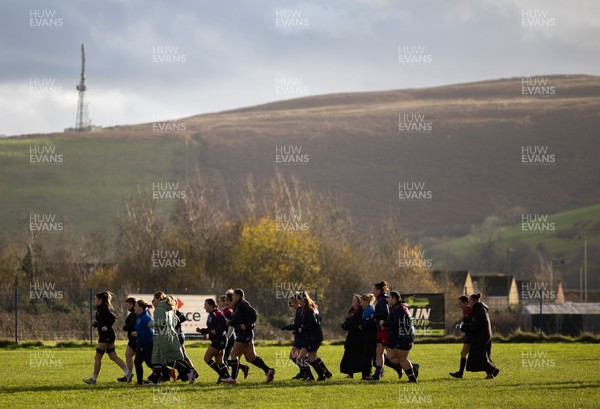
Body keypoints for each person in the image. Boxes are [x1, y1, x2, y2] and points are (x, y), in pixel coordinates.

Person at [226, 289, 275, 383]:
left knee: (234, 355)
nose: (232, 297)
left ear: (239, 296)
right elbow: (239, 320)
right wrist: (231, 322)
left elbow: (254, 315)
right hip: (243, 334)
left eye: (234, 296)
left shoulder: (243, 304)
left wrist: (247, 325)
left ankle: (232, 379)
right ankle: (268, 370)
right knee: (250, 358)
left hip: (244, 334)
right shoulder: (237, 306)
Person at [83, 291, 132, 384]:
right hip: (108, 335)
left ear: (100, 300)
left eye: (95, 299)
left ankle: (93, 379)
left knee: (97, 357)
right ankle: (128, 373)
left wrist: (107, 326)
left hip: (106, 336)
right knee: (113, 356)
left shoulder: (103, 309)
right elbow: (103, 322)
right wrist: (97, 324)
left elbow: (113, 318)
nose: (94, 300)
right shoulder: (100, 309)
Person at [147, 292, 195, 385]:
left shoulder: (159, 309)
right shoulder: (170, 308)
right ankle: (157, 379)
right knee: (165, 359)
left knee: (161, 359)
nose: (153, 302)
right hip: (169, 336)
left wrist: (150, 324)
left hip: (162, 337)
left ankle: (188, 372)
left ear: (158, 299)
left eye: (154, 299)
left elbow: (160, 324)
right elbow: (176, 320)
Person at [197, 298, 235, 383]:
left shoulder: (217, 313)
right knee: (219, 361)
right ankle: (228, 378)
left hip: (219, 340)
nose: (204, 307)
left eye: (206, 305)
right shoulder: (211, 314)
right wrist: (202, 331)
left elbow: (226, 324)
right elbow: (211, 329)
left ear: (211, 305)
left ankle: (222, 375)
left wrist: (217, 331)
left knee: (207, 358)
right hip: (219, 340)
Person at [297, 291, 331, 381]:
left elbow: (314, 322)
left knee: (311, 358)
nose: (298, 303)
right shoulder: (310, 308)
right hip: (309, 337)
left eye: (299, 300)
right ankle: (314, 377)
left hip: (313, 338)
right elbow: (319, 319)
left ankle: (321, 376)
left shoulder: (309, 309)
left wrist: (303, 327)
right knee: (300, 358)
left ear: (303, 300)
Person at [385, 291, 419, 382]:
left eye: (389, 297)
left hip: (403, 336)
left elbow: (397, 323)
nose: (387, 299)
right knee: (390, 356)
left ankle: (412, 378)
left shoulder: (399, 309)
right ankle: (412, 367)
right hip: (397, 336)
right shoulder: (397, 307)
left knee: (402, 359)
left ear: (394, 298)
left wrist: (385, 323)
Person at [466, 294, 500, 379]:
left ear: (474, 301)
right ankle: (490, 373)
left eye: (469, 300)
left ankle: (492, 369)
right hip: (484, 334)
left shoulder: (479, 308)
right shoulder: (479, 308)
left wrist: (471, 325)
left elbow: (483, 320)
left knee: (478, 354)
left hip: (481, 335)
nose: (468, 302)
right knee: (483, 354)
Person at [219, 293, 249, 379]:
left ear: (225, 302)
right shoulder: (224, 311)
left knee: (224, 359)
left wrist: (227, 337)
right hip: (227, 337)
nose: (219, 303)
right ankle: (242, 368)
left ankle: (227, 377)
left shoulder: (228, 312)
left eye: (220, 301)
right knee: (223, 359)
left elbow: (231, 327)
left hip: (230, 338)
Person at [280, 293, 307, 379]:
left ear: (297, 302)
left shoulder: (300, 311)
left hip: (301, 337)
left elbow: (297, 325)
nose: (291, 304)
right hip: (298, 337)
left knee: (294, 356)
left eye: (292, 302)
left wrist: (286, 327)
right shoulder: (298, 311)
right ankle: (303, 372)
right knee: (298, 356)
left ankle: (306, 372)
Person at [340, 294, 363, 378]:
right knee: (349, 355)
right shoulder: (351, 311)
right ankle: (350, 373)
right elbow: (348, 322)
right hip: (351, 336)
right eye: (352, 300)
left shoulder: (360, 311)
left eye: (354, 300)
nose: (352, 302)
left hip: (357, 337)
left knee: (357, 356)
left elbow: (357, 324)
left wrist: (349, 324)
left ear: (359, 302)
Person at [450, 295, 472, 378]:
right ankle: (460, 373)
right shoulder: (465, 310)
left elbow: (474, 322)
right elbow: (465, 321)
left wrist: (467, 326)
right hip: (468, 335)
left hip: (472, 335)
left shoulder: (471, 310)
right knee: (464, 353)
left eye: (460, 304)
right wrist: (461, 325)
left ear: (466, 302)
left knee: (472, 354)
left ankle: (490, 370)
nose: (459, 306)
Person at [132, 299, 153, 386]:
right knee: (149, 363)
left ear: (141, 308)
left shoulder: (146, 317)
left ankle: (140, 382)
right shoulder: (139, 316)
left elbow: (150, 332)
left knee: (137, 362)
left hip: (145, 343)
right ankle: (167, 372)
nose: (134, 307)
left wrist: (138, 333)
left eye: (136, 306)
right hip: (141, 342)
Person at [174, 309, 198, 382]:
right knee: (182, 356)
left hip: (178, 336)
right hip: (177, 336)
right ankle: (185, 373)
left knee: (181, 356)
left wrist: (175, 322)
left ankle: (191, 372)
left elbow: (183, 318)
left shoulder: (172, 310)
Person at [372, 281, 390, 380]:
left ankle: (412, 367)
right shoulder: (382, 299)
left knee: (392, 354)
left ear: (379, 290)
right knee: (379, 351)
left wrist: (374, 315)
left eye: (374, 289)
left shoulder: (383, 300)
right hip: (381, 330)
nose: (372, 291)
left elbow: (386, 313)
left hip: (384, 330)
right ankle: (377, 374)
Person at [359, 293, 377, 380]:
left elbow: (367, 324)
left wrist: (362, 326)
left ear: (366, 301)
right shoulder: (369, 309)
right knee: (373, 356)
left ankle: (367, 375)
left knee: (368, 356)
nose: (360, 303)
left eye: (361, 302)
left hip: (370, 336)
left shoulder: (369, 310)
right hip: (369, 336)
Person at [118, 297, 137, 382]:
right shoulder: (132, 313)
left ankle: (161, 373)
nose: (126, 306)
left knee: (146, 360)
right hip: (132, 340)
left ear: (132, 304)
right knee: (128, 355)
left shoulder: (134, 313)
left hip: (136, 339)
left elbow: (132, 325)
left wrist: (126, 327)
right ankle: (129, 374)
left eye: (128, 304)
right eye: (126, 304)